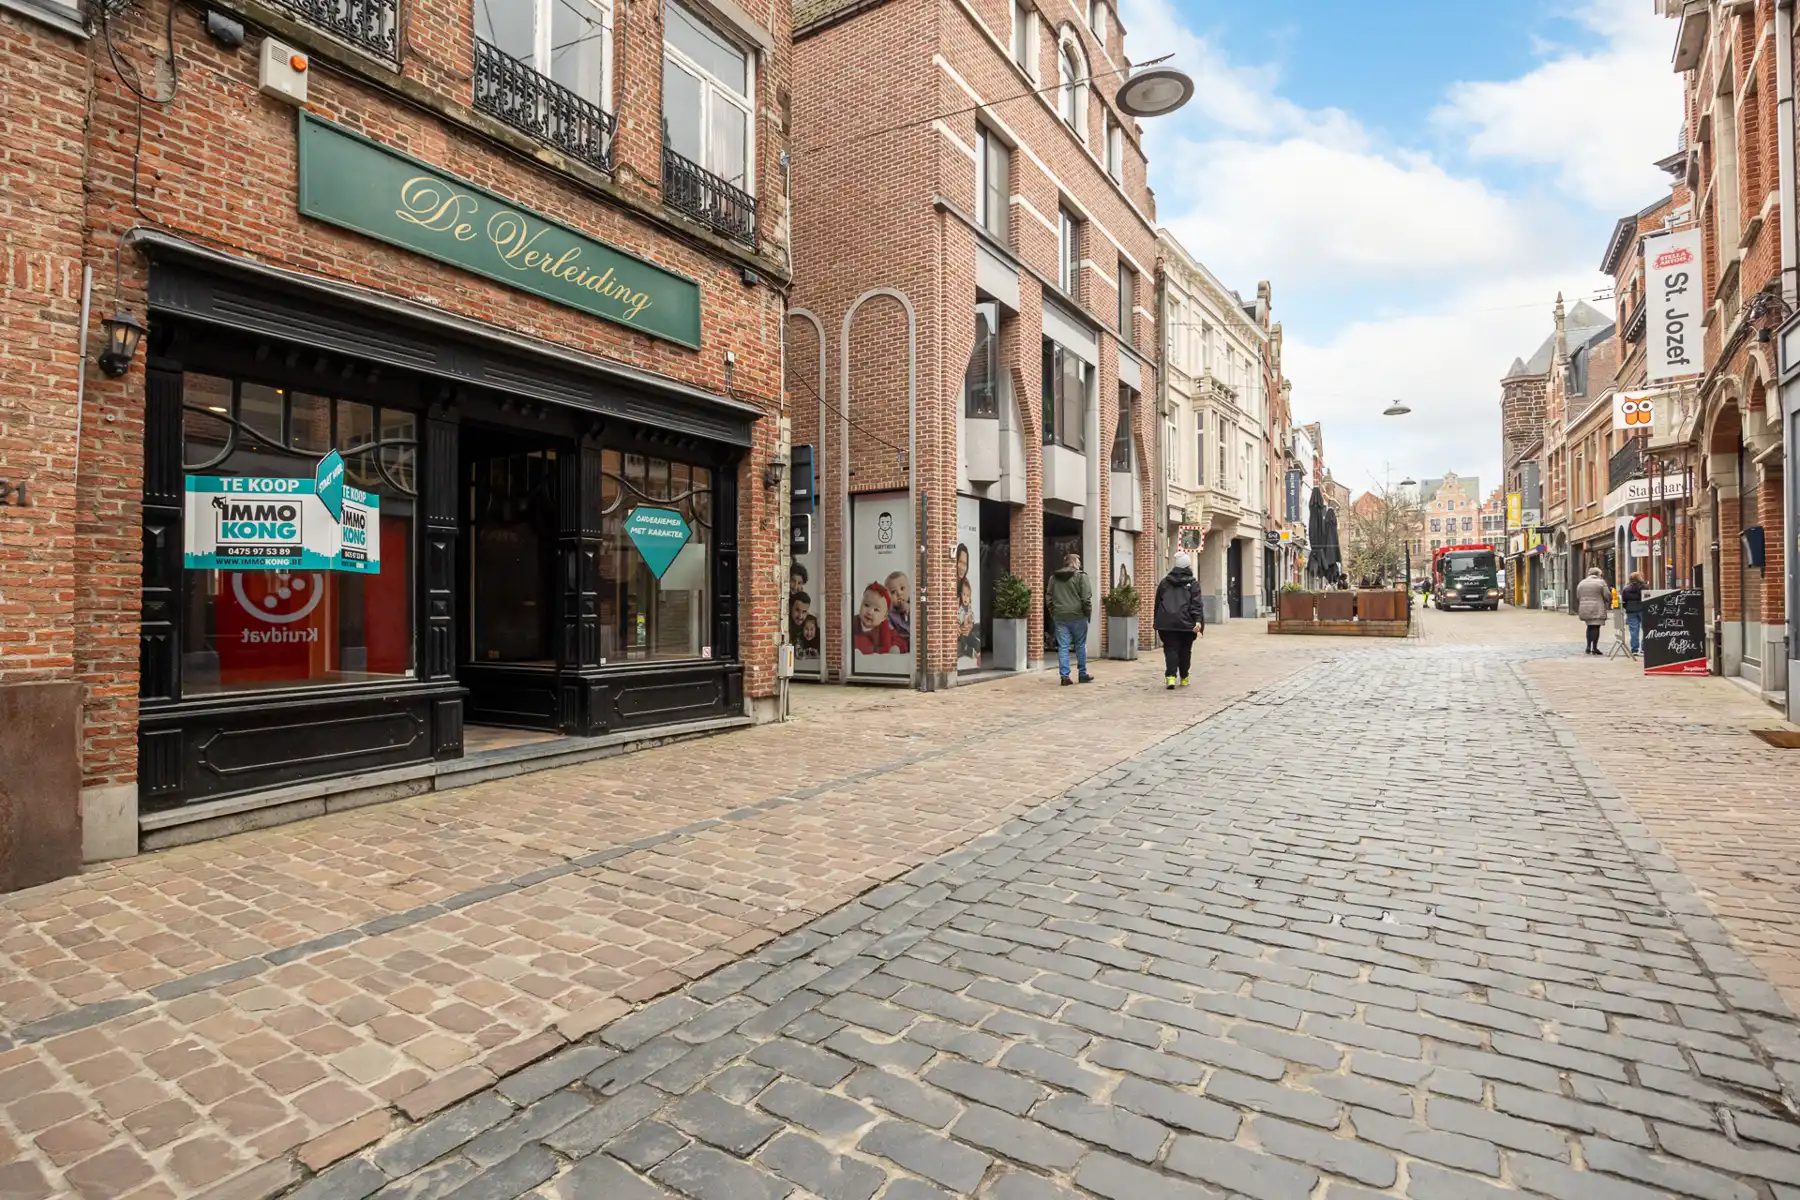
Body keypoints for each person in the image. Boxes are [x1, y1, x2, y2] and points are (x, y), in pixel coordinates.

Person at [1154, 552, 1206, 689]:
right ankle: (1184, 677)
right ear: (1188, 566)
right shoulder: (1193, 583)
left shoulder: (1164, 582)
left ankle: (1171, 678)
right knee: (1185, 650)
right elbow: (1196, 604)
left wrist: (1157, 621)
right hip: (1187, 623)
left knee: (1170, 649)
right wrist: (1198, 621)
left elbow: (1158, 603)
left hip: (1167, 623)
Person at [1047, 551, 1094, 685]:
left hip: (1060, 616)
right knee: (1080, 645)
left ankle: (1064, 677)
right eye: (1078, 562)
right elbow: (1086, 598)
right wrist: (1087, 613)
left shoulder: (1053, 578)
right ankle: (1082, 674)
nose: (1080, 565)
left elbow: (1049, 597)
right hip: (1078, 616)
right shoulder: (1081, 576)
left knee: (1063, 647)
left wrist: (1054, 612)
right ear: (1074, 563)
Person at [853, 583, 902, 655]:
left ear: (884, 617)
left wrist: (896, 647)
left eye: (876, 610)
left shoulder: (884, 629)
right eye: (866, 605)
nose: (870, 612)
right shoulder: (853, 622)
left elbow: (898, 641)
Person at [1575, 567, 1611, 656]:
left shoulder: (1582, 583)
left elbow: (1578, 596)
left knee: (1589, 626)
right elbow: (1607, 595)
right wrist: (1608, 602)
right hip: (1597, 607)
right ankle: (1594, 648)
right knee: (1596, 627)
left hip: (1585, 607)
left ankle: (1588, 646)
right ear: (1598, 574)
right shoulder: (1601, 582)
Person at [884, 571, 911, 648]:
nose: (899, 593)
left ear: (909, 589)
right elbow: (890, 631)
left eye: (902, 588)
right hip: (901, 642)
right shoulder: (889, 613)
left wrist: (910, 611)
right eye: (893, 592)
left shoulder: (916, 605)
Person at [1621, 570, 1646, 654]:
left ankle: (1634, 649)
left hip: (1631, 610)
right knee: (1646, 629)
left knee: (1633, 630)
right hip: (1643, 609)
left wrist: (1627, 607)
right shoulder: (1644, 587)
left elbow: (1624, 601)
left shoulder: (1626, 589)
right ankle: (1644, 648)